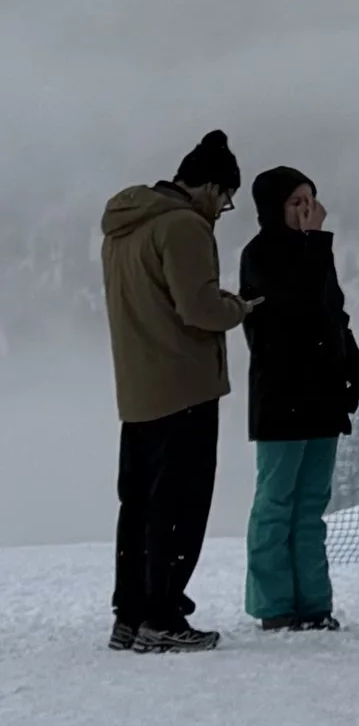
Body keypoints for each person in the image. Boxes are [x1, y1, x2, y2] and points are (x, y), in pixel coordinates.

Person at [99, 130, 256, 652]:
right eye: (226, 198)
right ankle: (163, 615)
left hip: (138, 388)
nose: (223, 209)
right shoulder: (184, 227)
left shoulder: (123, 228)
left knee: (139, 503)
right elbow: (198, 308)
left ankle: (131, 611)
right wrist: (238, 307)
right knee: (180, 504)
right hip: (183, 385)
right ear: (210, 187)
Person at [237, 165, 359, 631]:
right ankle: (275, 604)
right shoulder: (260, 254)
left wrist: (354, 371)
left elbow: (333, 314)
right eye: (296, 202)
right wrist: (315, 243)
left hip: (320, 396)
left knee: (312, 504)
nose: (307, 210)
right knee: (276, 502)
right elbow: (293, 306)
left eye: (310, 200)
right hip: (281, 396)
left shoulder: (316, 252)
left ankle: (314, 603)